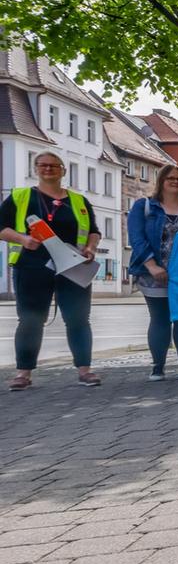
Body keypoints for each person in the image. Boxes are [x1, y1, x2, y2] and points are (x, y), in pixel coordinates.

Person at [1, 151, 102, 391]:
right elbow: (2, 228)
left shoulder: (78, 201)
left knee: (78, 319)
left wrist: (90, 247)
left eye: (54, 166)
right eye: (43, 165)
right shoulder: (20, 197)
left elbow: (94, 231)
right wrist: (23, 239)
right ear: (36, 168)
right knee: (30, 320)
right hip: (32, 266)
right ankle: (23, 373)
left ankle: (85, 370)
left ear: (63, 171)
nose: (49, 169)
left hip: (73, 266)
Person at [128, 163, 178, 381]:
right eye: (170, 178)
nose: (176, 181)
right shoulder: (144, 207)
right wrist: (152, 265)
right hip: (153, 273)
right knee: (160, 318)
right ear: (161, 182)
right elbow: (136, 238)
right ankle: (158, 366)